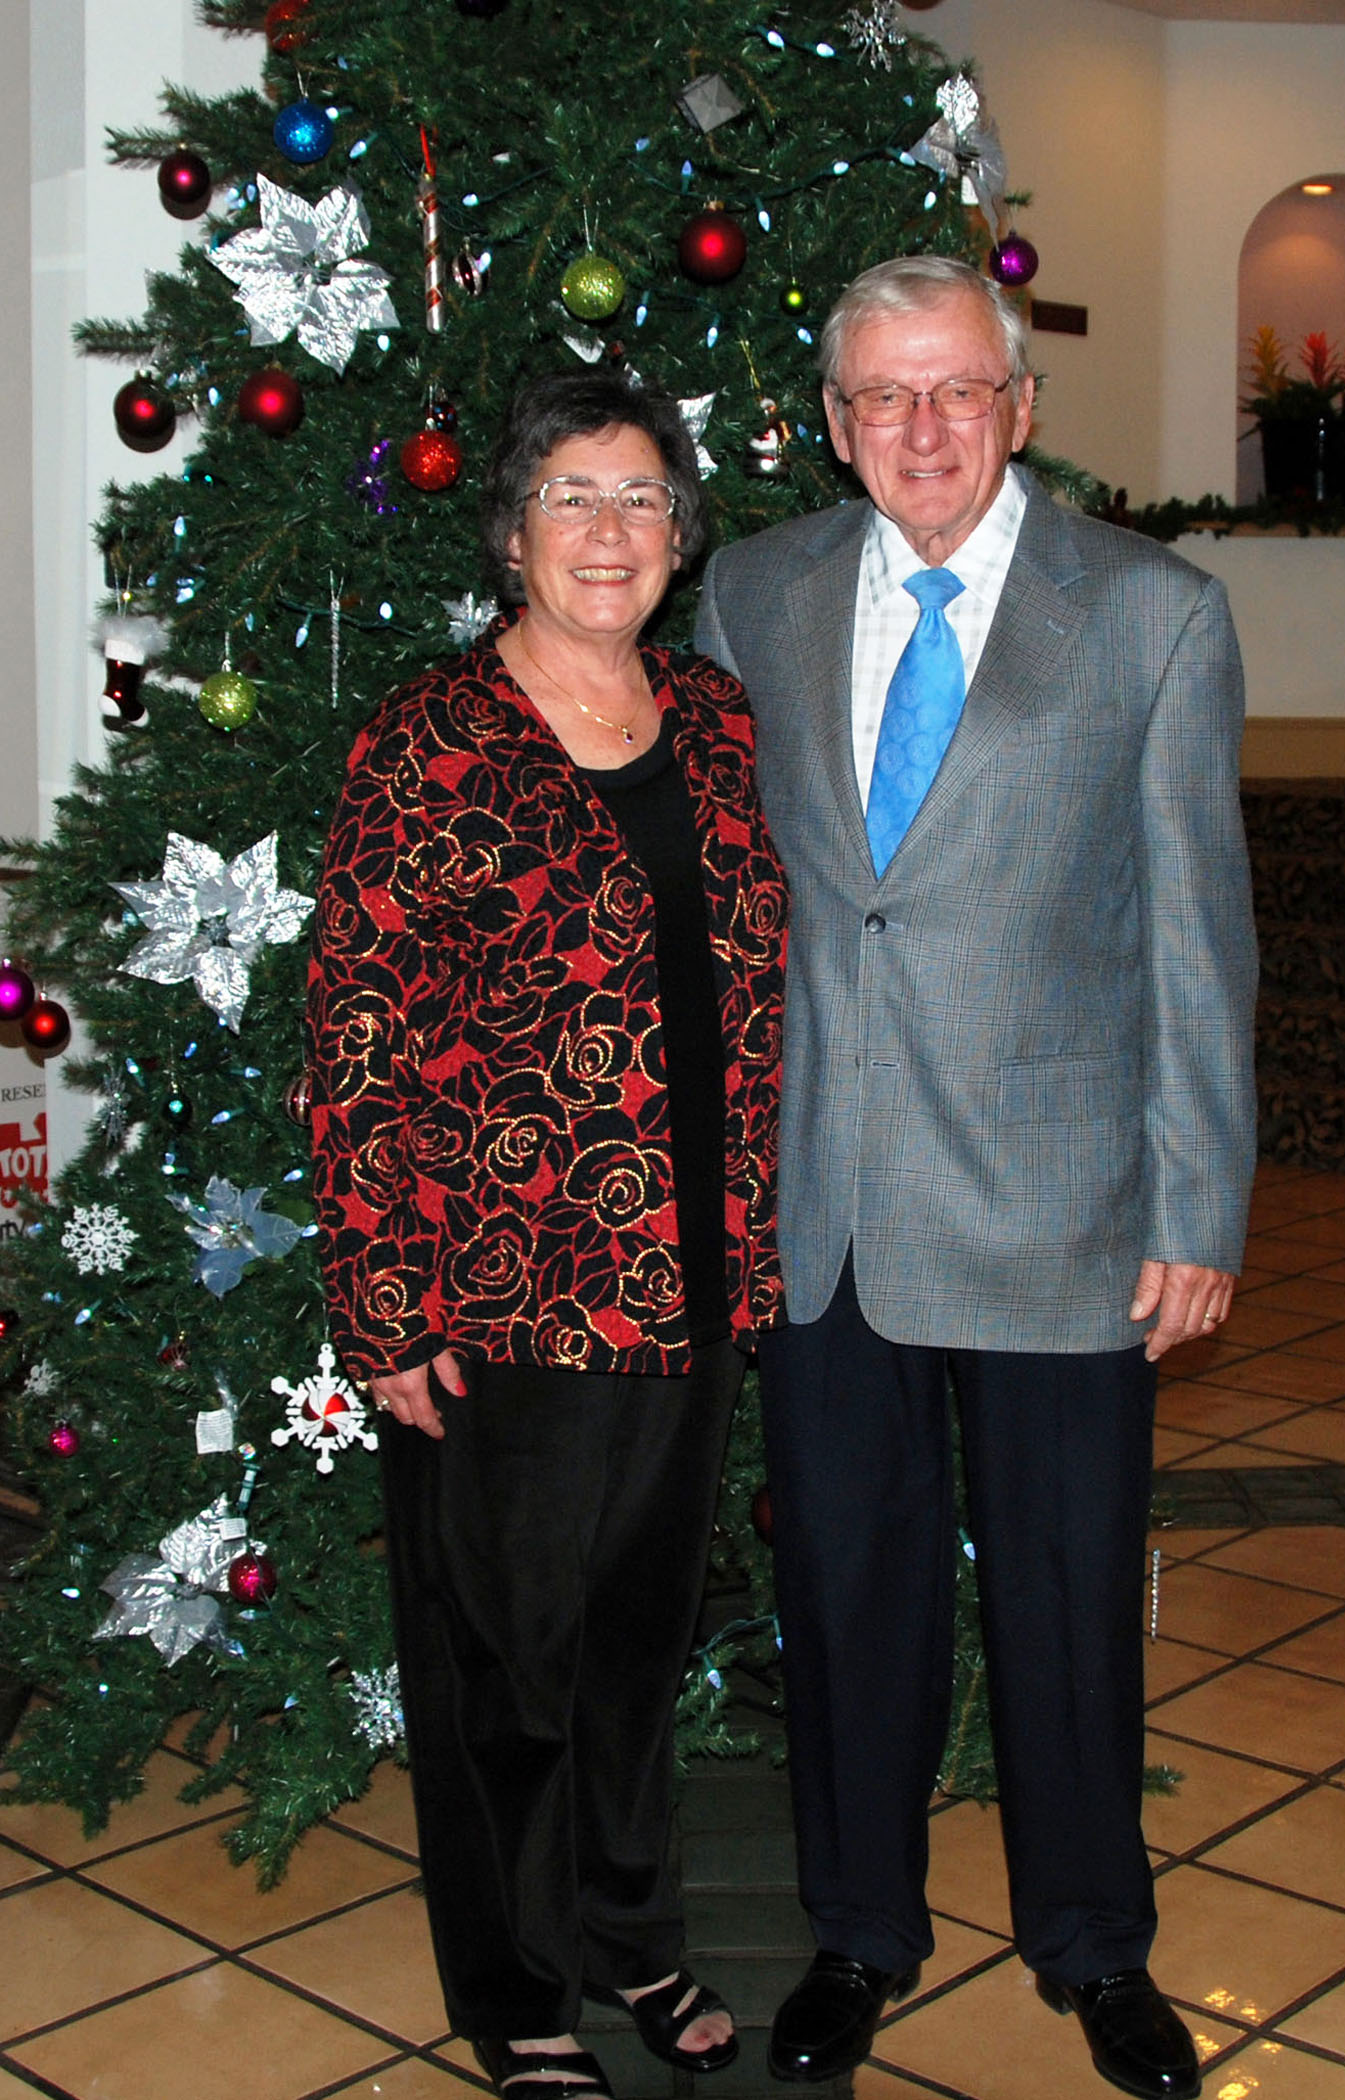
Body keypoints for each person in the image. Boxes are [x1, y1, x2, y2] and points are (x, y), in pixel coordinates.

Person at [695, 256, 1258, 2100]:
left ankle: (1096, 1950)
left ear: (1019, 408)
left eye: (954, 391)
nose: (918, 429)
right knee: (847, 1598)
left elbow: (1198, 934)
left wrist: (1198, 1208)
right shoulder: (754, 594)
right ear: (834, 420)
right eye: (879, 397)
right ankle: (859, 1935)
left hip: (1064, 1206)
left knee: (1067, 1596)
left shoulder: (1154, 614)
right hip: (830, 1202)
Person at [307, 370, 787, 2100]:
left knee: (640, 1643)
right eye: (574, 498)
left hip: (698, 1275)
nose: (610, 531)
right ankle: (517, 1990)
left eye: (642, 497)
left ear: (681, 533)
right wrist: (384, 1292)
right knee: (510, 1656)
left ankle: (630, 1938)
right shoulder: (431, 738)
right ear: (512, 533)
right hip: (502, 1290)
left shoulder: (719, 722)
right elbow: (356, 1025)